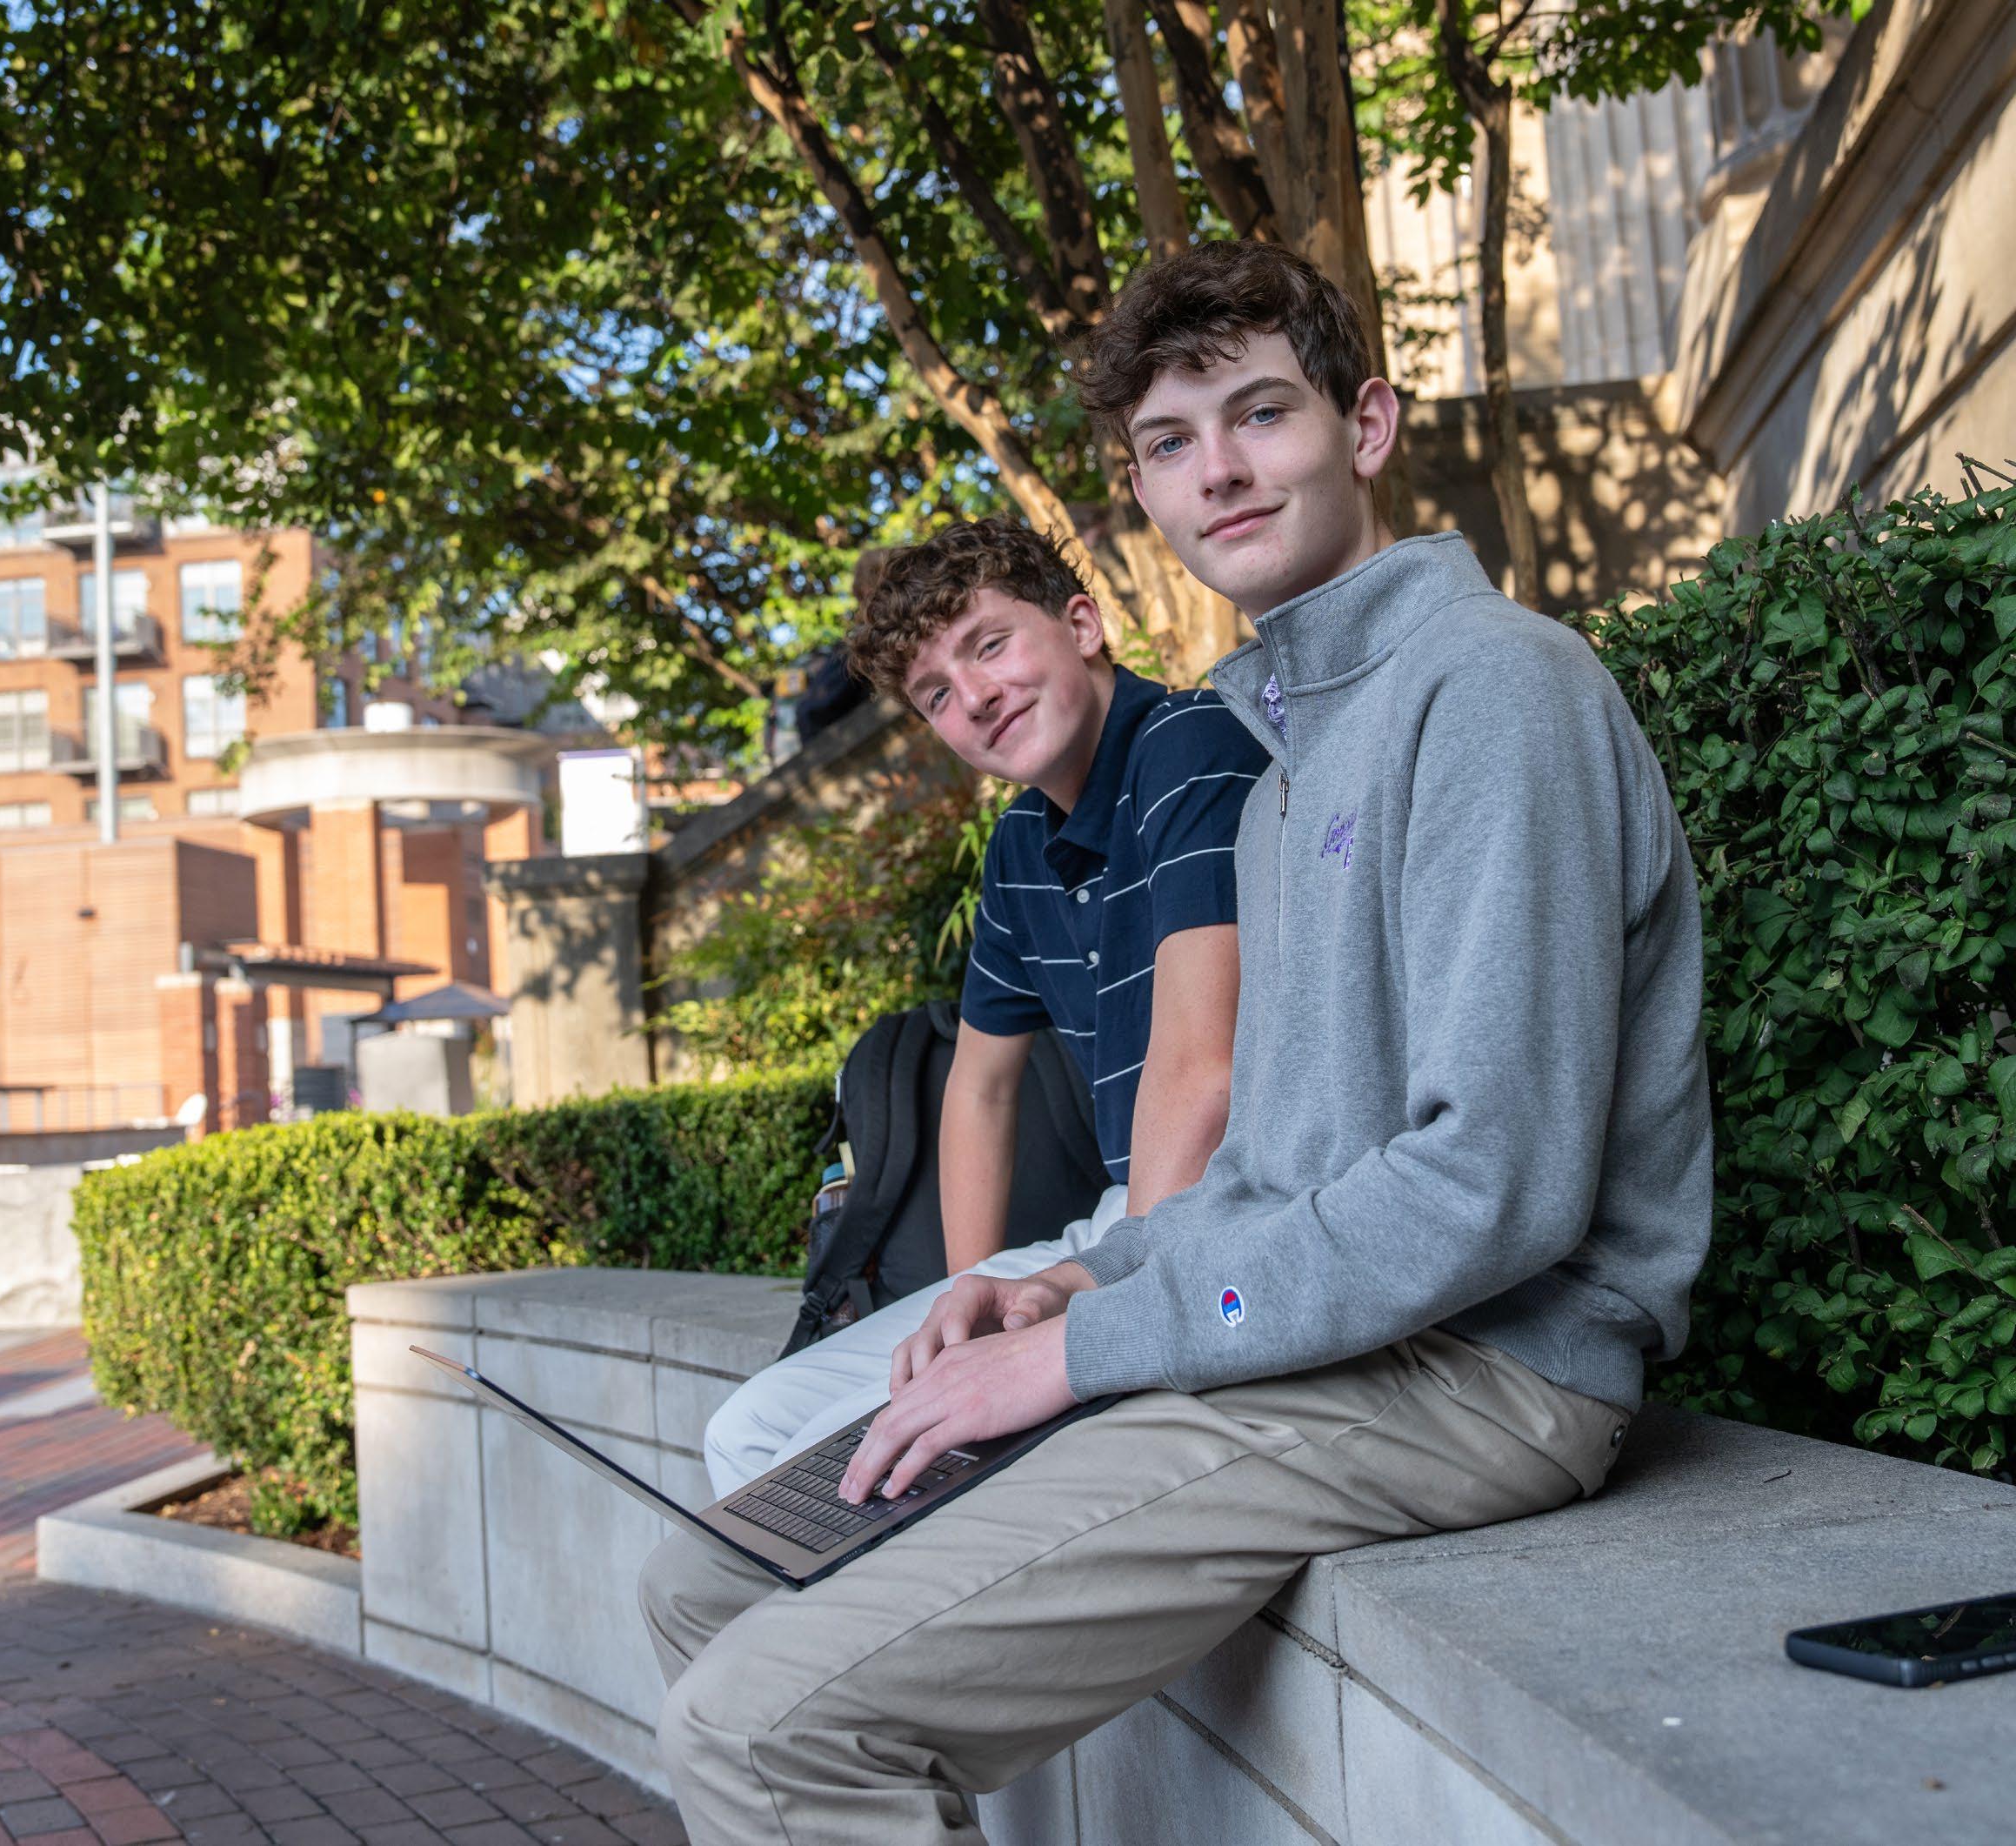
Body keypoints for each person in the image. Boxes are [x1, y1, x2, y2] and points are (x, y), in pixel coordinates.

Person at [638, 239, 1714, 1845]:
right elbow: (1269, 1174)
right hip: (1325, 1344)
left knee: (758, 1726)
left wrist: (1081, 1352)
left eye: (1257, 413)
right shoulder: (1282, 772)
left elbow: (1490, 1187)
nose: (1216, 470)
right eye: (1166, 442)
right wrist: (1073, 1283)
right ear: (1140, 492)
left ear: (1362, 426)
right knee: (701, 1577)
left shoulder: (1492, 689)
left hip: (1478, 1375)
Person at [703, 517, 1270, 1495]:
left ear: (1083, 626)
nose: (973, 697)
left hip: (1230, 1215)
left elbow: (1202, 1070)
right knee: (753, 1429)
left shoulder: (1188, 744)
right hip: (1125, 1215)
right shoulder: (1019, 846)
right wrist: (968, 1299)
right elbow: (979, 1088)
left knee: (888, 1452)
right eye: (935, 694)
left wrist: (1107, 1284)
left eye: (990, 644)